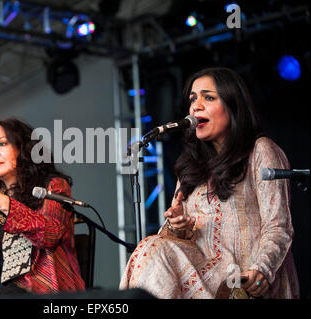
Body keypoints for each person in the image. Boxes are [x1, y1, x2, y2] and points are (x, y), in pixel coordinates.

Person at [119, 67, 300, 299]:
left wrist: (262, 269)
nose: (196, 105)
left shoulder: (260, 150)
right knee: (149, 247)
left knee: (151, 248)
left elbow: (278, 226)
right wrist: (176, 227)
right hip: (204, 278)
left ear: (233, 105)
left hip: (245, 279)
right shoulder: (190, 166)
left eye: (208, 97)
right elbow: (168, 245)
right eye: (193, 98)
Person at [0, 118, 85, 294]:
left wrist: (6, 204)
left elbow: (50, 235)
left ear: (25, 148)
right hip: (2, 292)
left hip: (42, 292)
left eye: (1, 144)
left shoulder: (53, 186)